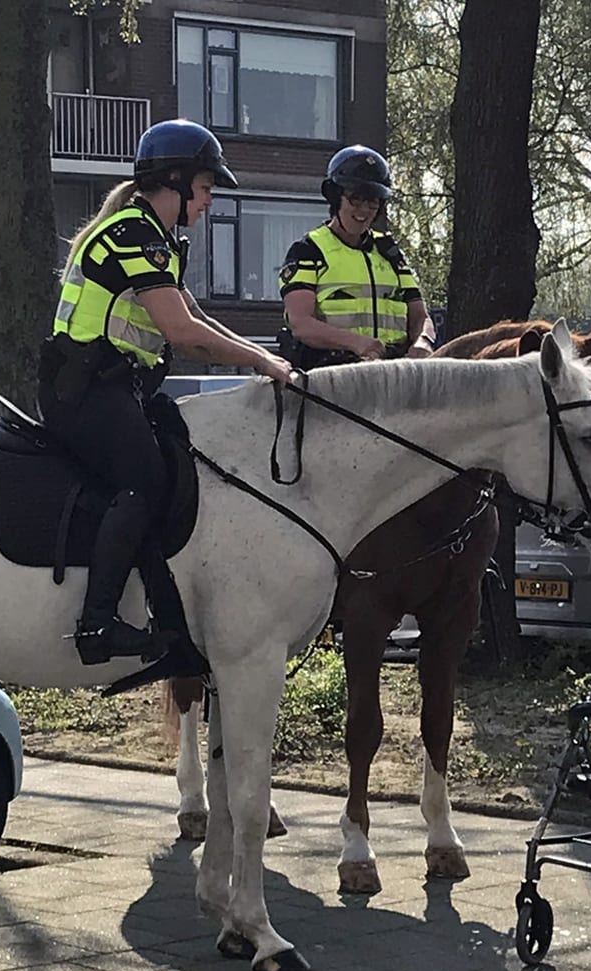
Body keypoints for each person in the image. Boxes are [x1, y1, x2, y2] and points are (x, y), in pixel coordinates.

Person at [44, 118, 292, 666]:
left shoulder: (156, 239)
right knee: (145, 480)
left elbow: (195, 317)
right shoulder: (132, 233)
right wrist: (258, 361)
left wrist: (263, 358)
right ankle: (97, 625)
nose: (207, 202)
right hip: (85, 392)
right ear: (175, 182)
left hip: (117, 388)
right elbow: (183, 335)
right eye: (204, 189)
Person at [277, 145, 436, 369]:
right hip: (330, 375)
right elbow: (301, 324)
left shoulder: (389, 251)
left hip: (395, 374)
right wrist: (357, 343)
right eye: (355, 199)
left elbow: (419, 315)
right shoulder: (308, 250)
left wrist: (423, 342)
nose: (364, 211)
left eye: (373, 202)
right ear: (335, 198)